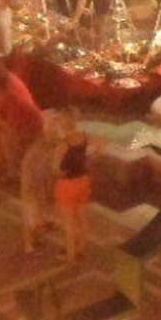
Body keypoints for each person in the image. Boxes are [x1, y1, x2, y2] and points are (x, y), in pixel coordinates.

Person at [19, 110, 68, 255]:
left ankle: (37, 235)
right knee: (34, 215)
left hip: (45, 182)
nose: (57, 127)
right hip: (36, 183)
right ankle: (30, 242)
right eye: (53, 124)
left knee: (42, 211)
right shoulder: (39, 149)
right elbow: (38, 171)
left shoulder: (55, 143)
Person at [53, 126, 95, 269]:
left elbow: (56, 170)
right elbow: (100, 146)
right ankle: (81, 249)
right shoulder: (84, 137)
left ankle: (70, 256)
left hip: (67, 185)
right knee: (82, 218)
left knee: (68, 223)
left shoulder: (62, 146)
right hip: (83, 181)